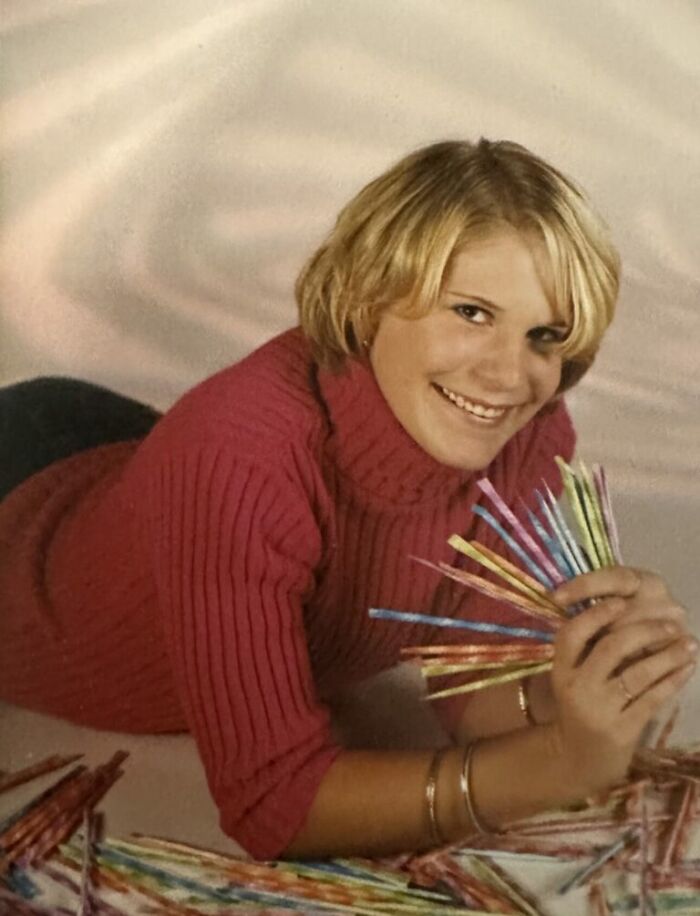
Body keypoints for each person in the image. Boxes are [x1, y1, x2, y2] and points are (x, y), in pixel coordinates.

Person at [0, 139, 694, 860]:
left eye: (544, 335)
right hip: (20, 508)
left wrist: (589, 689)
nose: (508, 376)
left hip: (116, 452)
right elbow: (277, 806)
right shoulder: (237, 459)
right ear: (368, 297)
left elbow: (477, 687)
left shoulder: (531, 435)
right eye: (472, 313)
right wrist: (554, 767)